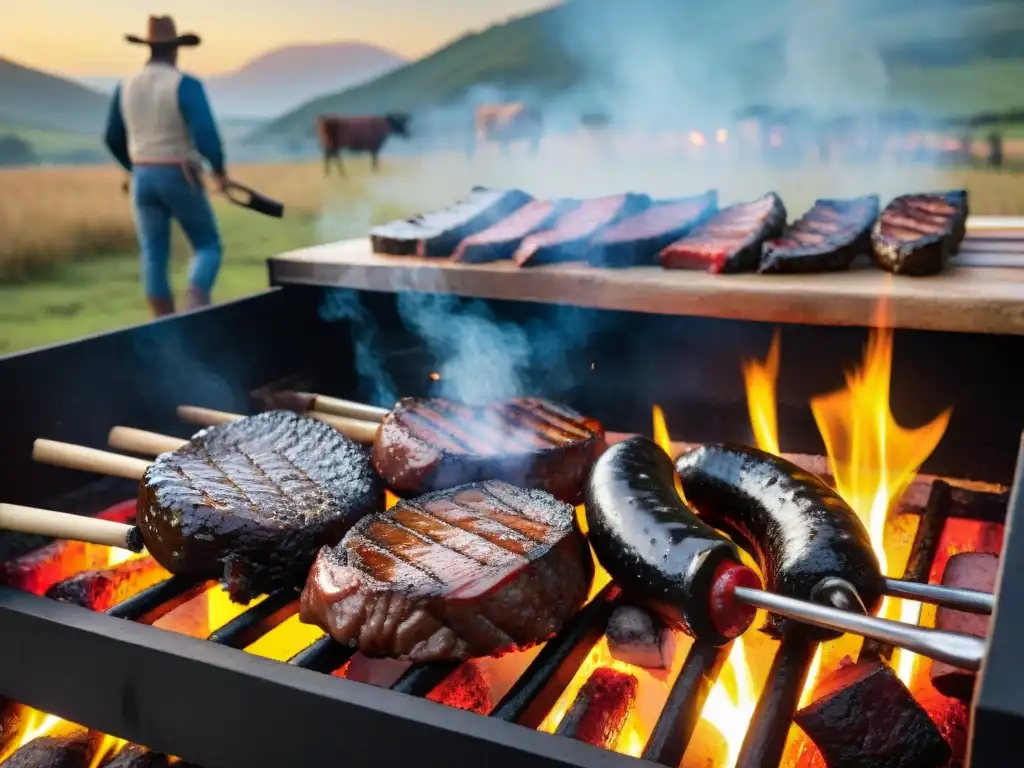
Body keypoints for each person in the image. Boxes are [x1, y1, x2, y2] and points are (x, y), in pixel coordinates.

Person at [103, 15, 230, 317]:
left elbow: (111, 136)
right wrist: (219, 172)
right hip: (179, 173)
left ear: (148, 48)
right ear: (176, 49)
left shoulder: (125, 86)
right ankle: (197, 307)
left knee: (153, 253)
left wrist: (132, 168)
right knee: (207, 245)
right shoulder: (184, 84)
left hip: (142, 177)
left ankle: (163, 324)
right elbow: (206, 135)